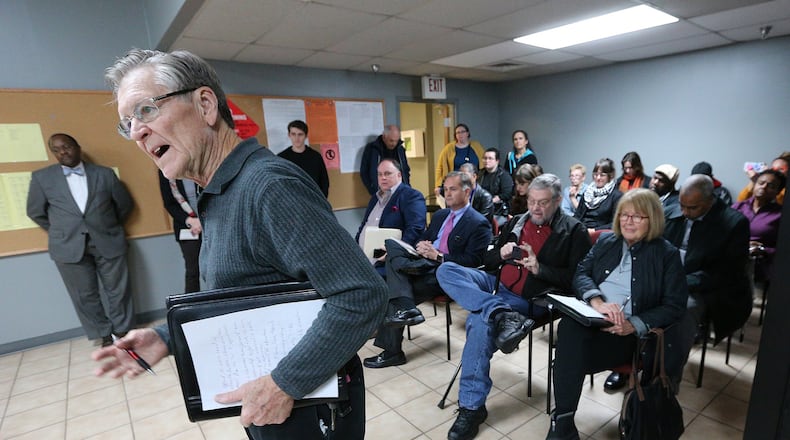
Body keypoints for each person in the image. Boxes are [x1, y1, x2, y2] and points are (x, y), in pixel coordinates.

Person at [94, 49, 387, 439]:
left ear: (204, 104)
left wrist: (284, 383)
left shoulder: (269, 187)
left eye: (146, 111)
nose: (136, 132)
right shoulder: (216, 191)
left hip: (303, 401)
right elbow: (239, 296)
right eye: (127, 123)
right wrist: (167, 337)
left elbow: (363, 294)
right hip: (268, 399)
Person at [436, 174, 591, 440]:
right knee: (447, 269)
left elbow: (577, 280)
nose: (535, 208)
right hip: (496, 286)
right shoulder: (518, 220)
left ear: (556, 201)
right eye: (531, 201)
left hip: (530, 297)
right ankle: (498, 312)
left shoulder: (574, 231)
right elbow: (488, 258)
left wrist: (540, 268)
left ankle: (471, 408)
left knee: (478, 323)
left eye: (542, 203)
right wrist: (502, 253)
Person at [548, 189, 688, 440]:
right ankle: (564, 422)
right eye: (624, 214)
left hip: (627, 337)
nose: (628, 221)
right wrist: (597, 300)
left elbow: (675, 305)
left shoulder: (666, 254)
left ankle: (562, 425)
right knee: (570, 328)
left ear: (653, 219)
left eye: (637, 216)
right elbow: (581, 273)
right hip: (591, 321)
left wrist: (634, 324)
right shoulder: (606, 242)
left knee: (567, 355)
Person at [364, 172, 491, 369]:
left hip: (444, 272)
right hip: (422, 263)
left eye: (453, 189)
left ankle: (393, 349)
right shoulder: (440, 215)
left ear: (467, 191)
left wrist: (438, 256)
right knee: (392, 246)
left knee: (392, 292)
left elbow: (474, 262)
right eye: (445, 189)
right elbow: (422, 237)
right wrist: (421, 244)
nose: (446, 193)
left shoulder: (478, 223)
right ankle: (406, 308)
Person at [27, 133, 135, 347]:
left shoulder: (104, 174)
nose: (62, 152)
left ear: (78, 146)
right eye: (56, 149)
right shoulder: (42, 178)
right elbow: (35, 212)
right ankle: (104, 334)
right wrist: (61, 230)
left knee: (118, 290)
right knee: (84, 294)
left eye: (66, 146)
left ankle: (122, 332)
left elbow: (124, 205)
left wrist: (107, 225)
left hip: (107, 240)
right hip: (68, 246)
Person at [664, 175, 751, 345]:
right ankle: (632, 359)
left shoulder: (734, 223)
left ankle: (669, 367)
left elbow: (726, 273)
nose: (685, 212)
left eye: (692, 208)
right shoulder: (670, 212)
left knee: (683, 310)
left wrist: (682, 282)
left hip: (703, 287)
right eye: (682, 205)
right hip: (669, 277)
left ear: (710, 201)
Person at [355, 159, 426, 276]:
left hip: (387, 262)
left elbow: (415, 229)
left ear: (399, 175)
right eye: (380, 174)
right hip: (362, 260)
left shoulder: (411, 196)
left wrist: (393, 253)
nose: (383, 177)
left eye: (387, 174)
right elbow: (364, 225)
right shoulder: (374, 198)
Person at [731, 169, 785, 285]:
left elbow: (784, 249)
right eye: (761, 183)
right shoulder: (738, 206)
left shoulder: (780, 215)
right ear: (755, 184)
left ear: (777, 191)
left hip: (760, 272)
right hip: (730, 266)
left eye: (771, 186)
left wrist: (763, 250)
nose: (764, 187)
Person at [158, 170, 202, 293]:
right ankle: (192, 308)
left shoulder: (196, 163)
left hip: (210, 220)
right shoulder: (165, 171)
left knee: (216, 267)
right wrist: (190, 221)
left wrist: (202, 220)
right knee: (192, 271)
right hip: (186, 227)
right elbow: (169, 203)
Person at [277, 120, 330, 197]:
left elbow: (324, 181)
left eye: (300, 134)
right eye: (293, 134)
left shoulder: (315, 156)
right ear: (289, 135)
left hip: (313, 200)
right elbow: (279, 183)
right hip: (291, 202)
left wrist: (322, 201)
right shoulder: (282, 158)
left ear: (306, 136)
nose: (296, 138)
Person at [434, 124, 485, 196]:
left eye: (462, 132)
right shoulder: (448, 148)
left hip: (473, 184)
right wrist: (438, 185)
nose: (460, 134)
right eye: (458, 132)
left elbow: (485, 163)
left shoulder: (476, 146)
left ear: (467, 133)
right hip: (455, 185)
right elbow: (440, 168)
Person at [360, 125, 410, 195]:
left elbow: (405, 170)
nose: (394, 144)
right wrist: (373, 189)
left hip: (400, 190)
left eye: (396, 141)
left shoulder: (400, 149)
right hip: (381, 192)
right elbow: (364, 172)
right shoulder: (372, 149)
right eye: (391, 141)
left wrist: (407, 186)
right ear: (384, 137)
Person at [574, 158, 622, 232]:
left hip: (601, 235)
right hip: (582, 231)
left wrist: (594, 230)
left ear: (610, 176)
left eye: (602, 175)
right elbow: (577, 216)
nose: (598, 178)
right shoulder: (587, 193)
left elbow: (616, 223)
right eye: (595, 175)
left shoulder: (616, 196)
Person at [479, 147, 513, 225]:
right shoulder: (480, 174)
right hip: (481, 208)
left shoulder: (504, 175)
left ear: (497, 161)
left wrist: (491, 201)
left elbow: (507, 194)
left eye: (490, 158)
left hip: (498, 210)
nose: (487, 161)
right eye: (485, 158)